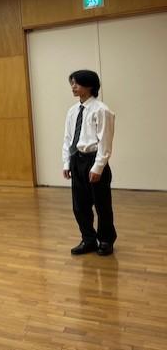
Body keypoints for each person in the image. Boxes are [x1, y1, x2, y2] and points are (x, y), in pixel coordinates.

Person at [63, 70, 116, 256]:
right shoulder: (72, 111)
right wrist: (66, 163)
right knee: (79, 206)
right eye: (72, 83)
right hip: (77, 159)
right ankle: (88, 239)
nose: (73, 86)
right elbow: (68, 139)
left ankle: (106, 240)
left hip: (94, 160)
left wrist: (98, 167)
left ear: (89, 85)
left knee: (102, 205)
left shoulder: (101, 110)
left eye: (77, 83)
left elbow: (105, 142)